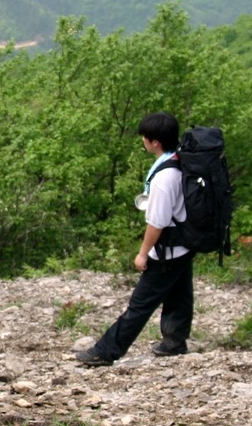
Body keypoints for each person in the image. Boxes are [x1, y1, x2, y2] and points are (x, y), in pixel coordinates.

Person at [76, 112, 194, 367]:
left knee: (140, 304)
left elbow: (157, 222)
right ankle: (174, 342)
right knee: (180, 294)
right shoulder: (182, 159)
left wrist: (143, 253)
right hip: (184, 245)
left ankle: (105, 351)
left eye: (144, 137)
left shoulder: (164, 177)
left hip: (167, 250)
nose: (142, 140)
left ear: (154, 141)